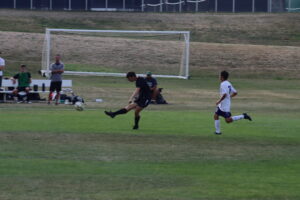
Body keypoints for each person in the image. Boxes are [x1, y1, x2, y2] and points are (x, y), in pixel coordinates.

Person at [214, 70, 252, 135]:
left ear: (222, 77)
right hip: (222, 105)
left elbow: (225, 94)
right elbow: (235, 92)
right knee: (216, 115)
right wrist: (229, 97)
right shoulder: (228, 83)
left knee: (228, 120)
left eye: (219, 76)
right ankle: (218, 132)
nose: (219, 77)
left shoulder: (222, 84)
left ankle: (243, 116)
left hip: (225, 106)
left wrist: (219, 101)